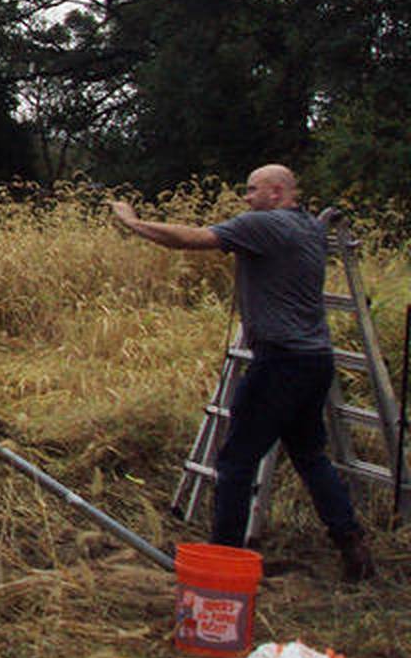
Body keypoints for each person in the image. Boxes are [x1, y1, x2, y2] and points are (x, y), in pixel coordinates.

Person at [109, 164, 375, 581]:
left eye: (252, 190)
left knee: (235, 461)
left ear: (276, 192)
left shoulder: (265, 224)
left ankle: (225, 558)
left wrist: (132, 222)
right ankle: (351, 543)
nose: (246, 198)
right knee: (310, 456)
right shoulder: (310, 227)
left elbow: (189, 239)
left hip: (279, 363)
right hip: (315, 360)